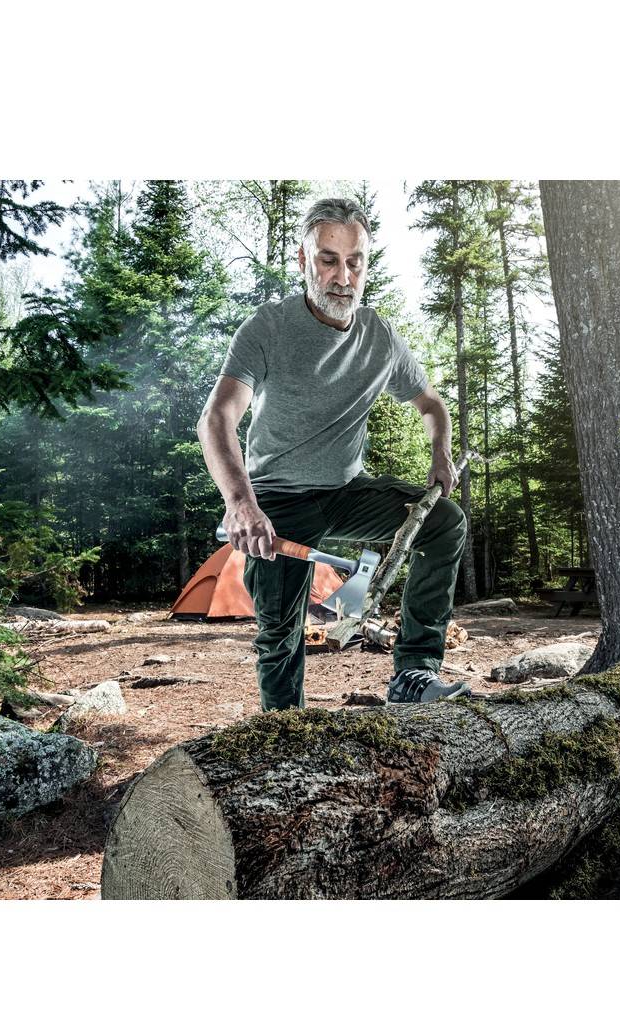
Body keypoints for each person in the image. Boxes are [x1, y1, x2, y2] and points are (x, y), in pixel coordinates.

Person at [197, 196, 470, 710]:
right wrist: (241, 503)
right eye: (327, 260)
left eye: (354, 262)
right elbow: (216, 420)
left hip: (347, 490)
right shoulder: (268, 329)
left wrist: (440, 453)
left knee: (444, 523)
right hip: (276, 501)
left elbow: (432, 404)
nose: (342, 276)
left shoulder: (381, 339)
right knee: (279, 633)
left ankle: (414, 672)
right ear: (304, 261)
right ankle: (285, 733)